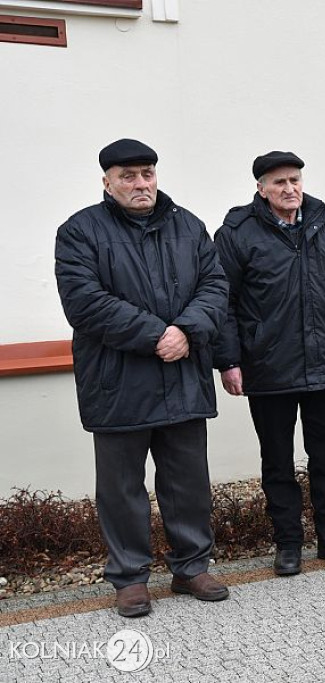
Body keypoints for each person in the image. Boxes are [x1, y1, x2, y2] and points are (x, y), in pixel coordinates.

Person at [54, 139, 230, 618]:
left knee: (188, 482)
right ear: (107, 182)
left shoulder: (188, 226)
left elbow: (216, 287)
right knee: (122, 488)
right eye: (128, 175)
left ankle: (191, 566)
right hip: (118, 384)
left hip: (183, 379)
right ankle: (130, 578)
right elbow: (85, 303)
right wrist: (159, 335)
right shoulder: (79, 232)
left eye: (147, 173)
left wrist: (187, 331)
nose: (140, 184)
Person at [214, 151, 325, 575]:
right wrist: (228, 360)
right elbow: (222, 301)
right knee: (278, 462)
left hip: (323, 364)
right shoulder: (236, 232)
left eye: (295, 180)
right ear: (261, 189)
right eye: (279, 182)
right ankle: (288, 545)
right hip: (268, 367)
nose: (290, 189)